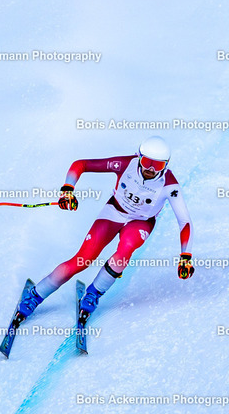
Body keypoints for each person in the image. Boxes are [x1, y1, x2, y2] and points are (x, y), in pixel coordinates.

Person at [18, 136, 194, 323]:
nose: (150, 169)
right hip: (113, 212)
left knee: (125, 252)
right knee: (82, 260)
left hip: (140, 222)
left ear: (166, 165)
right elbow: (81, 165)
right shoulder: (124, 164)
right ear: (138, 157)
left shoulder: (170, 185)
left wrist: (186, 256)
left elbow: (185, 221)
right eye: (147, 162)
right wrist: (67, 190)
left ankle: (93, 294)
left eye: (157, 165)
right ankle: (36, 294)